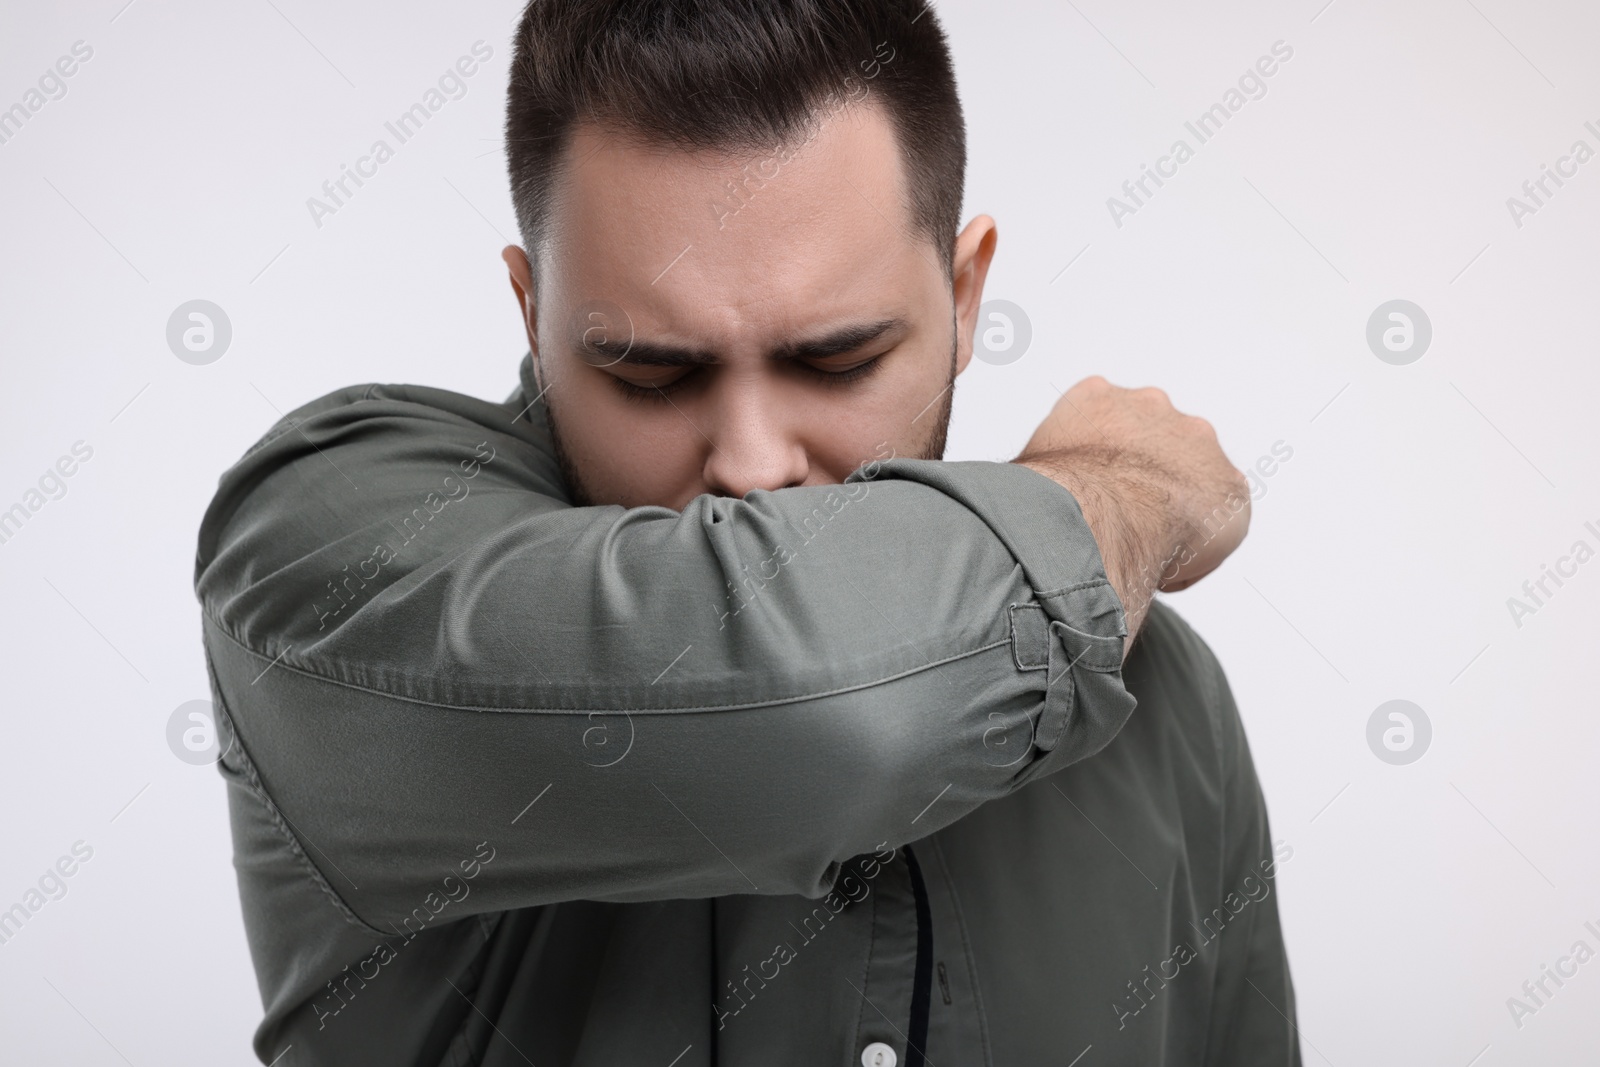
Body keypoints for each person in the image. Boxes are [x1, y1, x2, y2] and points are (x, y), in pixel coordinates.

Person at [193, 1, 1300, 1063]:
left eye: (836, 360)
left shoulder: (1165, 696)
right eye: (651, 373)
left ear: (965, 297)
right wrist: (1110, 491)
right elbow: (845, 705)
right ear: (533, 315)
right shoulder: (325, 552)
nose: (752, 461)